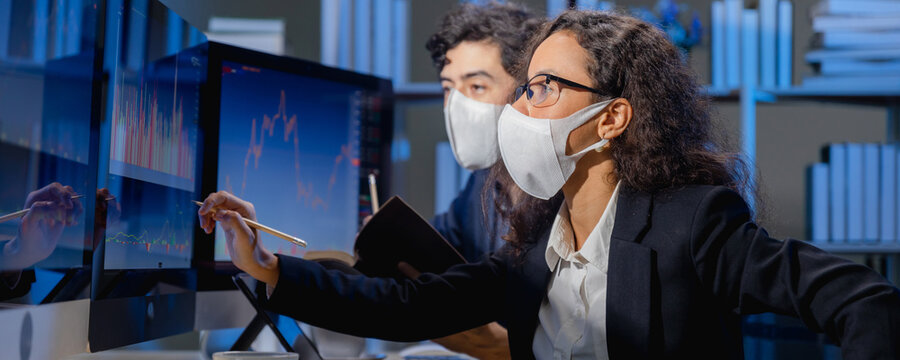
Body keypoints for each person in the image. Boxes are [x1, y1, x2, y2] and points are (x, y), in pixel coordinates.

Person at [199, 10, 900, 359]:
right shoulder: (538, 240)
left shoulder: (695, 221)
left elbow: (866, 301)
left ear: (613, 116)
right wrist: (264, 266)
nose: (513, 110)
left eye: (540, 89)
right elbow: (410, 306)